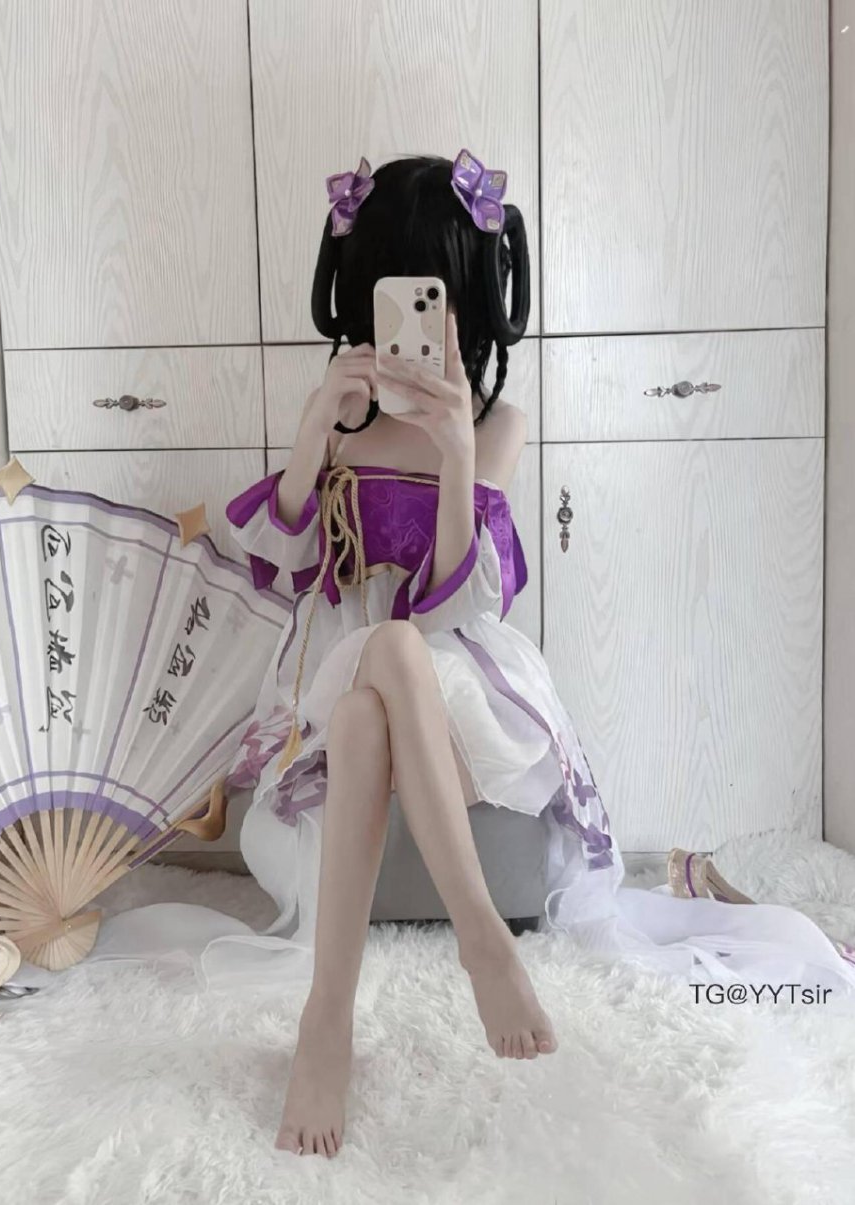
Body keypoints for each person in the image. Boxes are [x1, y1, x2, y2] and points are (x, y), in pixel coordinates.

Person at [215, 150, 855, 1158]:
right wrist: (310, 430)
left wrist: (457, 450)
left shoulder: (495, 424)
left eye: (435, 294)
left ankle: (333, 1016)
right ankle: (449, 955)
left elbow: (458, 596)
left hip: (454, 681)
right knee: (366, 689)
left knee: (394, 654)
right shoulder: (338, 425)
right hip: (345, 679)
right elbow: (283, 565)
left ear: (467, 297)